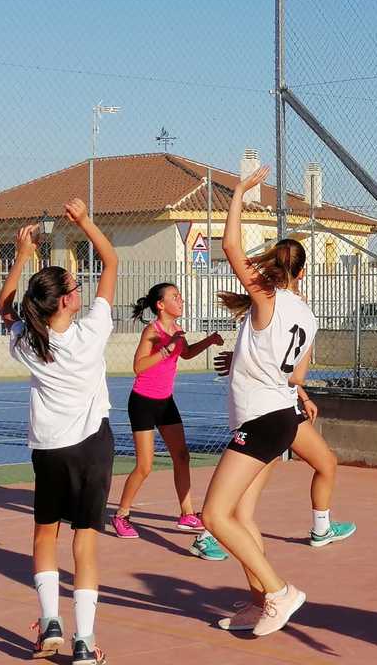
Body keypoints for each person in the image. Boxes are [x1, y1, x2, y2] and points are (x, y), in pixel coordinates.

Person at [0, 200, 117, 665]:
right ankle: (84, 643)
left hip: (49, 450)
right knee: (84, 541)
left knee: (44, 534)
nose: (80, 286)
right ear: (68, 300)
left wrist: (22, 255)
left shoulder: (28, 341)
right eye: (74, 284)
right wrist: (87, 222)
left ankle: (51, 623)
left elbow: (4, 306)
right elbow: (111, 260)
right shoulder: (92, 332)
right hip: (91, 447)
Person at [202, 165, 314, 637]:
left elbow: (228, 246)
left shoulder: (266, 298)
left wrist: (240, 195)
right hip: (280, 415)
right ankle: (258, 602)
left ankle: (277, 590)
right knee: (241, 516)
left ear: (272, 269)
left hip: (262, 419)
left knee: (213, 516)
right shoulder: (307, 316)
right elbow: (294, 374)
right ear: (304, 272)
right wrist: (244, 361)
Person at [110, 283, 226, 561]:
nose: (181, 299)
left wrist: (208, 341)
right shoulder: (153, 332)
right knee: (145, 465)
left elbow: (184, 354)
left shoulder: (177, 331)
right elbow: (138, 366)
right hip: (143, 403)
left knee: (182, 456)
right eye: (175, 297)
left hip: (165, 402)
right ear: (160, 305)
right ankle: (122, 515)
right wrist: (166, 349)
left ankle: (186, 514)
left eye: (180, 295)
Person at [214, 349, 356, 547]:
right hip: (272, 413)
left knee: (326, 463)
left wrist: (304, 397)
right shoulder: (277, 327)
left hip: (285, 411)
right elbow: (285, 373)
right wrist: (241, 363)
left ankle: (322, 529)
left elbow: (284, 373)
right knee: (248, 487)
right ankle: (210, 534)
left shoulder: (291, 326)